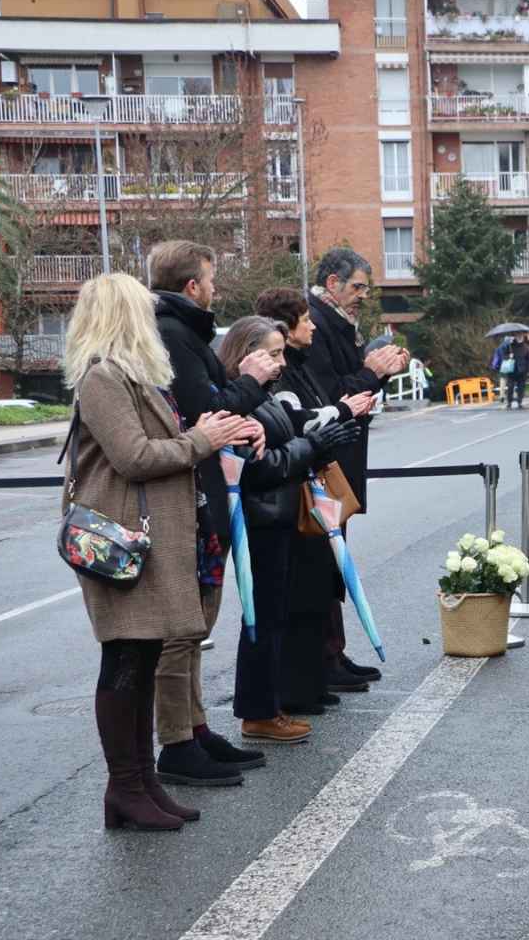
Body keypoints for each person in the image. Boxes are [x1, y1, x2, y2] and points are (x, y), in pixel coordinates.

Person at [63, 273, 252, 829]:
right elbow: (134, 457)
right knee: (123, 660)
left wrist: (205, 430)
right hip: (121, 545)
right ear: (124, 316)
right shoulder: (103, 377)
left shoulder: (134, 377)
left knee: (142, 659)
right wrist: (202, 441)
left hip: (147, 542)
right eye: (143, 311)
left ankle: (142, 783)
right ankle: (125, 787)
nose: (153, 320)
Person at [148, 240, 271, 786]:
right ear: (193, 286)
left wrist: (245, 407)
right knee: (181, 630)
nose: (216, 289)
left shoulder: (183, 332)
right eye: (212, 279)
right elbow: (208, 413)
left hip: (201, 496)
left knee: (197, 626)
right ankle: (177, 741)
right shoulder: (173, 334)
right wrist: (250, 384)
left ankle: (194, 728)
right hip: (188, 501)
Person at [218, 317, 361, 744]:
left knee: (274, 616)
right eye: (273, 353)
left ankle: (268, 705)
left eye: (282, 353)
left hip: (278, 515)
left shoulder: (262, 397)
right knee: (262, 618)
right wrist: (311, 447)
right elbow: (260, 468)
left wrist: (320, 437)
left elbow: (288, 436)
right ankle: (259, 712)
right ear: (246, 354)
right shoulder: (242, 401)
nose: (281, 363)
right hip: (262, 517)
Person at [254, 289, 376, 717]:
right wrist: (340, 412)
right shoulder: (279, 376)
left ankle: (314, 677)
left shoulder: (298, 366)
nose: (313, 326)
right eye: (305, 320)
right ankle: (296, 688)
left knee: (318, 587)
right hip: (291, 492)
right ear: (284, 331)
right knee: (298, 596)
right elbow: (294, 420)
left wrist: (339, 413)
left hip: (307, 485)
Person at [304, 248, 408, 686]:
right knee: (324, 557)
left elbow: (355, 390)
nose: (363, 295)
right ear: (332, 284)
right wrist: (370, 371)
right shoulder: (318, 323)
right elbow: (331, 398)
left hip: (341, 456)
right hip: (327, 457)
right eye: (357, 287)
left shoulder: (340, 322)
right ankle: (323, 659)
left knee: (335, 555)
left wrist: (378, 373)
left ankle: (334, 652)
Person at [504, 333, 529, 410]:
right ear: (515, 338)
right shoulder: (510, 346)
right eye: (518, 337)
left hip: (522, 370)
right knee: (510, 387)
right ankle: (509, 402)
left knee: (521, 387)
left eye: (521, 337)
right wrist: (508, 356)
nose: (520, 338)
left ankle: (519, 402)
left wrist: (528, 370)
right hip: (511, 370)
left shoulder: (525, 347)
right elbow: (504, 356)